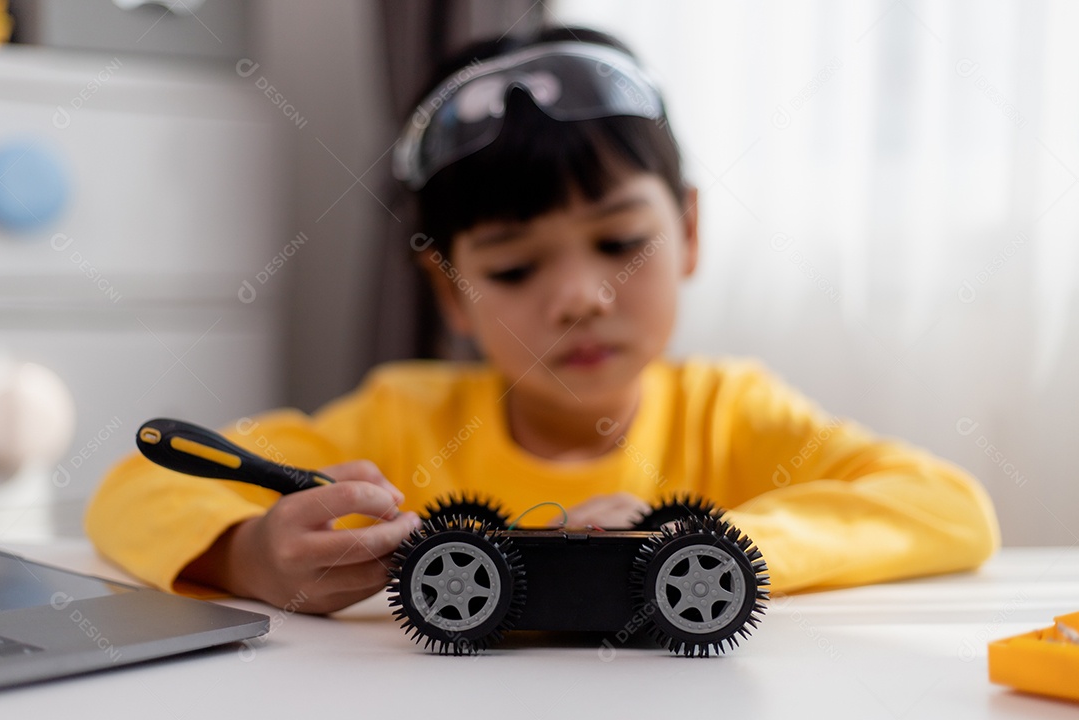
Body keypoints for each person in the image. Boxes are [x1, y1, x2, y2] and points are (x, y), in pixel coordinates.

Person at [85, 27, 999, 615]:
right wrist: (246, 555)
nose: (580, 297)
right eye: (516, 267)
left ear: (687, 231)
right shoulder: (400, 420)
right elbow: (136, 481)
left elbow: (948, 508)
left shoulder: (734, 412)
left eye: (619, 245)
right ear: (450, 293)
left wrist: (717, 546)